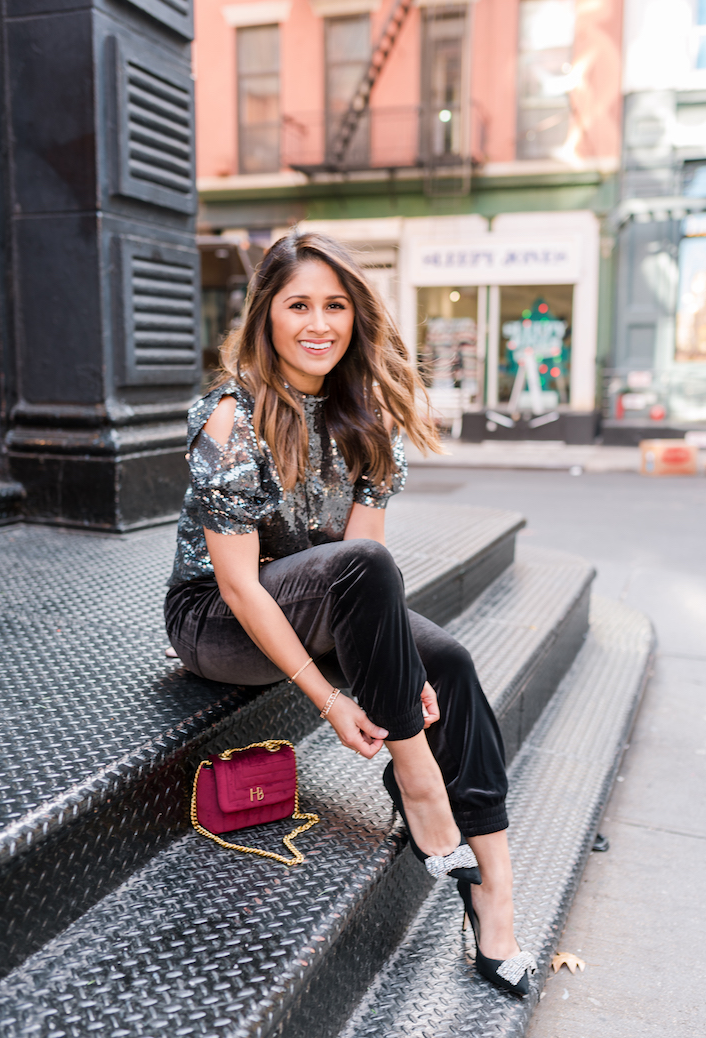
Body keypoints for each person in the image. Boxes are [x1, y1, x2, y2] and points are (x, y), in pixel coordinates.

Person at [165, 232, 536, 995]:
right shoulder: (230, 420)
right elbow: (238, 587)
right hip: (219, 620)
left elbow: (369, 576)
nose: (319, 323)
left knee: (453, 664)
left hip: (322, 600)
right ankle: (419, 784)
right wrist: (337, 699)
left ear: (356, 316)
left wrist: (395, 666)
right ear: (265, 315)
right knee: (363, 576)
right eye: (298, 304)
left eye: (335, 305)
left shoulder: (364, 420)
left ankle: (494, 899)